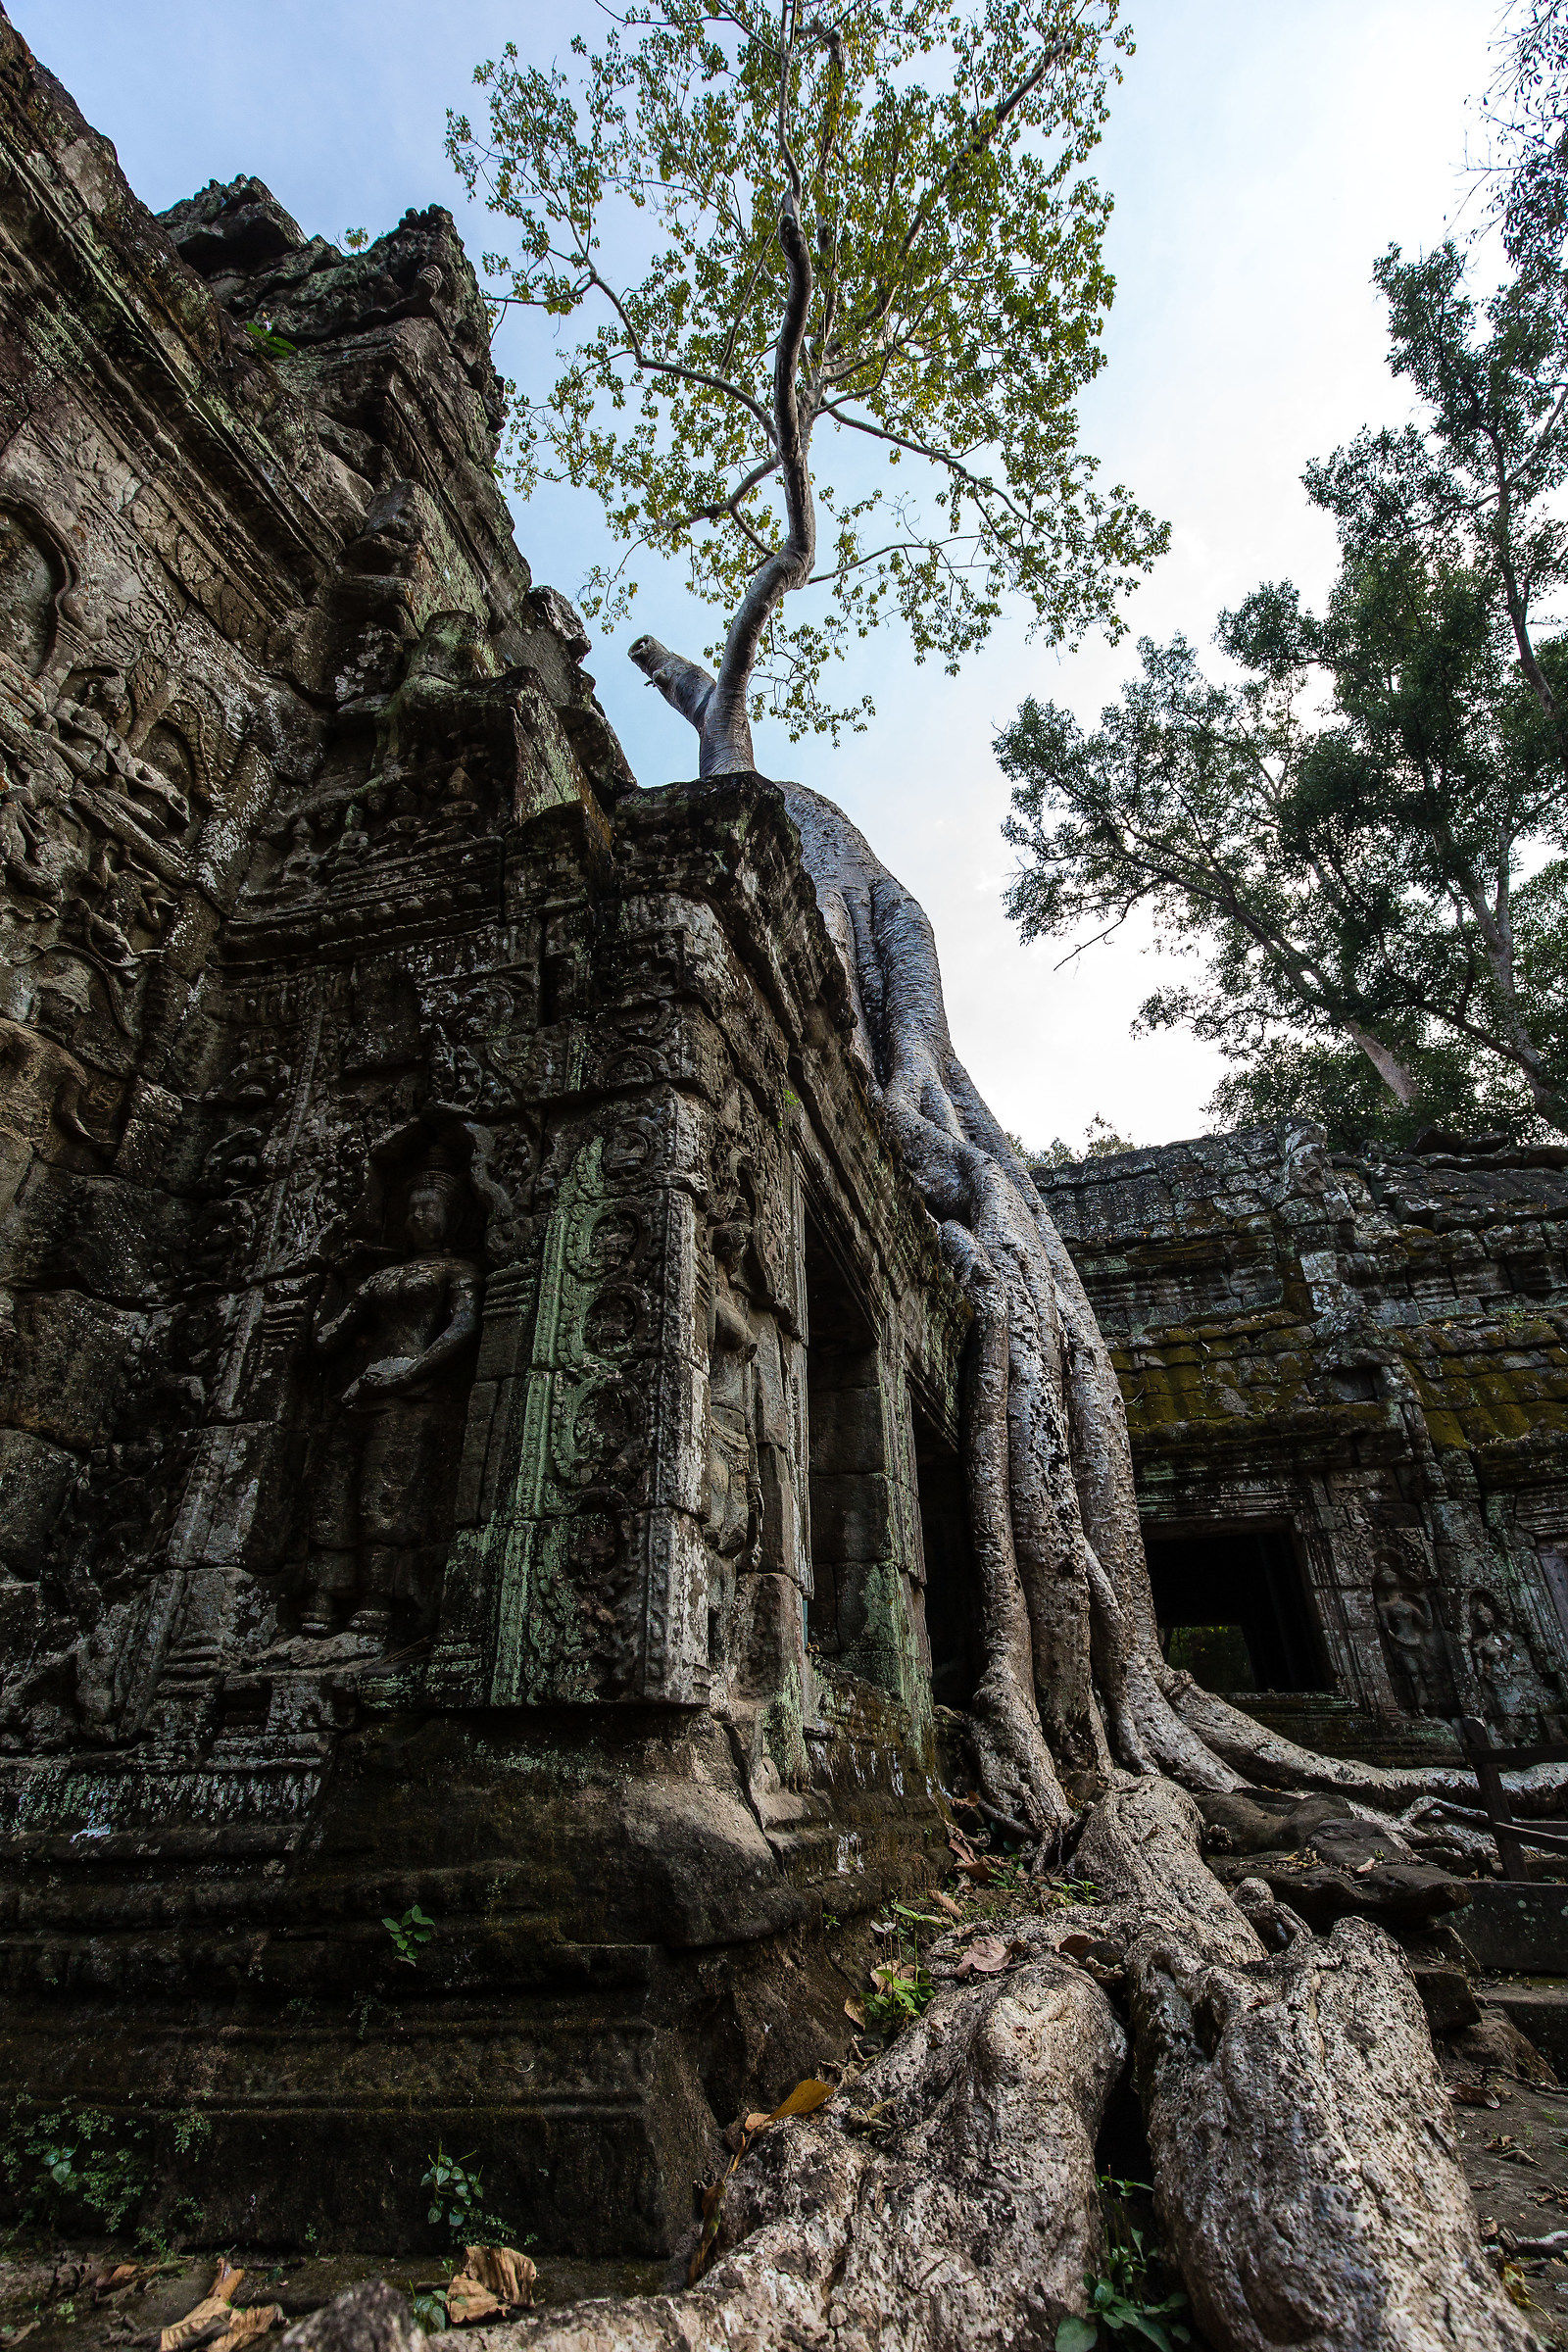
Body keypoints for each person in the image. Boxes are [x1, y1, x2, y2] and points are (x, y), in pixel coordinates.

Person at [304, 1163, 480, 1643]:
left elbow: (462, 1328)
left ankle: (377, 1601)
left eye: (431, 1207)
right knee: (333, 1492)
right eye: (412, 1208)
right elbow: (325, 1340)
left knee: (386, 1494)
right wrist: (332, 1279)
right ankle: (322, 1596)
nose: (418, 1216)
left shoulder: (456, 1270)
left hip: (410, 1394)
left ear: (454, 1216)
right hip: (361, 1392)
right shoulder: (380, 1277)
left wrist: (412, 1369)